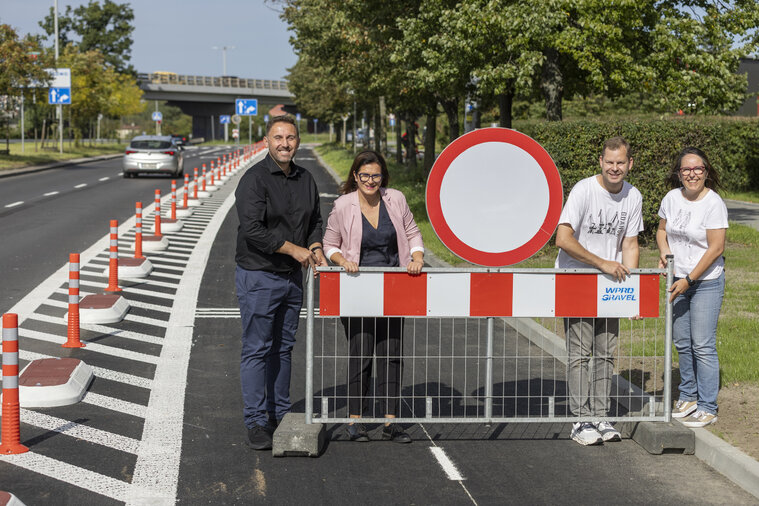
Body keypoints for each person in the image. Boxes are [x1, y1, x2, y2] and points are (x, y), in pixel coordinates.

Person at [234, 115, 327, 450]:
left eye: (290, 138)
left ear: (298, 141)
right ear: (267, 141)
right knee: (257, 348)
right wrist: (294, 250)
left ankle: (279, 412)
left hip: (292, 278)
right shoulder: (254, 180)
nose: (284, 144)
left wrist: (315, 246)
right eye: (278, 138)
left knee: (284, 347)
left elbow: (315, 220)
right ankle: (256, 420)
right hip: (259, 274)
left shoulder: (306, 178)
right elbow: (252, 230)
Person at [322, 150, 424, 443]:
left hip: (393, 286)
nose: (370, 181)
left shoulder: (396, 199)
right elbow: (330, 244)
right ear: (355, 176)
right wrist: (343, 261)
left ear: (383, 177)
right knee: (361, 352)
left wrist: (417, 258)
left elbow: (412, 232)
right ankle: (356, 420)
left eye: (375, 176)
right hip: (358, 288)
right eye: (364, 175)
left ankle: (391, 421)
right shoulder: (343, 205)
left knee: (391, 353)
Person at [555, 136, 643, 446]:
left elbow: (630, 244)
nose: (614, 168)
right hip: (576, 278)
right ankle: (580, 420)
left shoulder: (633, 196)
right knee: (580, 353)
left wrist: (631, 294)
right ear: (601, 162)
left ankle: (601, 416)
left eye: (620, 163)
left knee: (606, 352)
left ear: (629, 164)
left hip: (611, 283)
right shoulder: (583, 190)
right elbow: (563, 238)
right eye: (609, 162)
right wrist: (601, 263)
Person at [656, 147, 727, 428]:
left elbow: (716, 248)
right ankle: (688, 396)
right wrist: (665, 253)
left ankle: (708, 406)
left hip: (705, 282)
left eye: (698, 168)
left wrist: (689, 280)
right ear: (679, 173)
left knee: (703, 345)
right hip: (678, 279)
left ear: (706, 172)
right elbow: (662, 231)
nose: (692, 174)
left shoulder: (713, 203)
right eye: (686, 169)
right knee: (682, 342)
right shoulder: (671, 198)